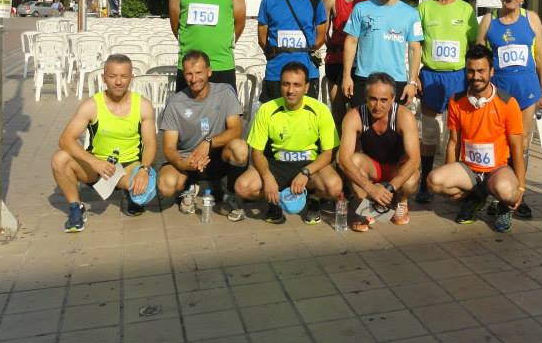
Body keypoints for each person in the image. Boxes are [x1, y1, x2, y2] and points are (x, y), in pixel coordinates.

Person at [427, 45, 527, 233]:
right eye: (471, 71)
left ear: (491, 71)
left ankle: (503, 207)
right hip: (469, 170)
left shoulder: (508, 103)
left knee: (508, 193)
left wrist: (521, 187)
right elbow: (453, 142)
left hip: (497, 169)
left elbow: (517, 148)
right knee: (434, 181)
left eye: (481, 71)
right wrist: (452, 175)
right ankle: (475, 197)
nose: (476, 76)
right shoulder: (456, 101)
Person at [51, 55, 158, 232]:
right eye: (112, 76)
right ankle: (76, 207)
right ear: (103, 78)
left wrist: (144, 170)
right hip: (97, 166)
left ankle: (130, 193)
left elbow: (150, 143)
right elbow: (65, 139)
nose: (118, 82)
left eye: (124, 76)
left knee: (145, 189)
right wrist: (94, 162)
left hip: (129, 165)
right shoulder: (92, 105)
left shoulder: (143, 105)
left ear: (131, 78)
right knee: (59, 159)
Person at [476, 0, 542, 219]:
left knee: (523, 143)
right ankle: (497, 193)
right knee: (498, 141)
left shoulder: (532, 18)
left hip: (526, 88)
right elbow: (479, 55)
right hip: (500, 89)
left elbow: (540, 57)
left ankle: (519, 193)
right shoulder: (489, 20)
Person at [235, 62, 342, 224]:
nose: (291, 90)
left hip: (309, 166)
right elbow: (256, 151)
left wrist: (305, 172)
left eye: (297, 85)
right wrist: (267, 178)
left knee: (334, 187)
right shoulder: (267, 109)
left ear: (306, 87)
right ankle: (275, 200)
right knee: (242, 187)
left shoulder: (320, 110)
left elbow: (329, 153)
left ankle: (313, 199)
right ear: (280, 85)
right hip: (276, 165)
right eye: (286, 84)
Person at [157, 50, 249, 221]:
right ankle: (189, 186)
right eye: (189, 74)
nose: (194, 79)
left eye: (199, 72)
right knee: (166, 185)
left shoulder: (225, 92)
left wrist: (208, 142)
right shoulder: (175, 103)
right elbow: (169, 148)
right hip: (188, 158)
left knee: (240, 148)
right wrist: (183, 163)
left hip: (217, 155)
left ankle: (230, 191)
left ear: (209, 71)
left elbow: (235, 131)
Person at [415, 0, 477, 204]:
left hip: (458, 77)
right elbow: (415, 45)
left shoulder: (466, 10)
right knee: (430, 133)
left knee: (457, 133)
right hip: (431, 75)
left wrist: (472, 78)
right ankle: (425, 181)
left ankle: (457, 181)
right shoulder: (424, 8)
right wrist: (414, 76)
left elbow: (475, 45)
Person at [337, 72, 421, 232]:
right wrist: (370, 188)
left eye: (383, 100)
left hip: (397, 168)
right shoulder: (354, 116)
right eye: (373, 99)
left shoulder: (404, 116)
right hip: (372, 168)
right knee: (352, 161)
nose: (377, 106)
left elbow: (414, 159)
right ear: (365, 97)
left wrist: (390, 188)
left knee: (411, 179)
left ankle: (401, 201)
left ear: (393, 99)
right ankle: (364, 205)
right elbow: (343, 160)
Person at [342, 0, 423, 107]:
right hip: (364, 78)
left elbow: (414, 48)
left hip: (396, 80)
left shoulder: (411, 13)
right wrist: (346, 75)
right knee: (360, 120)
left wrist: (412, 82)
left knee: (393, 121)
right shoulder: (361, 8)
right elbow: (351, 42)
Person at [258, 0, 327, 102]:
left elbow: (321, 36)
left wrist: (305, 51)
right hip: (276, 73)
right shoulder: (268, 0)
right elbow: (262, 36)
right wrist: (274, 53)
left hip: (307, 73)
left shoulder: (315, 1)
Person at [323, 0, 369, 125]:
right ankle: (340, 141)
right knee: (337, 106)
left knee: (360, 108)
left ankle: (357, 141)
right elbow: (323, 30)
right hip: (336, 59)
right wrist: (333, 46)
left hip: (361, 60)